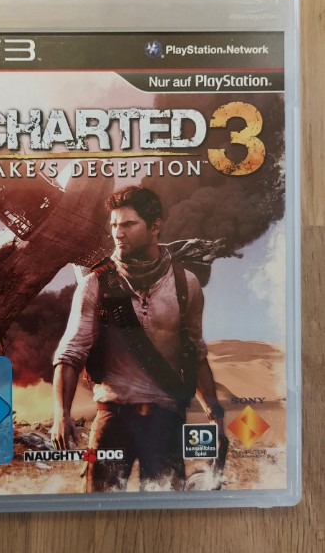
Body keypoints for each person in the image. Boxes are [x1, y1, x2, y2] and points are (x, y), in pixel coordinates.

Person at [51, 185, 224, 491]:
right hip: (112, 419)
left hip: (166, 422)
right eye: (114, 225)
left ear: (155, 226)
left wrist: (215, 415)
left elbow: (195, 354)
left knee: (167, 510)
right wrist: (61, 414)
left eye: (128, 224)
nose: (118, 233)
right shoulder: (95, 284)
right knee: (98, 507)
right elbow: (71, 353)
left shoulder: (186, 284)